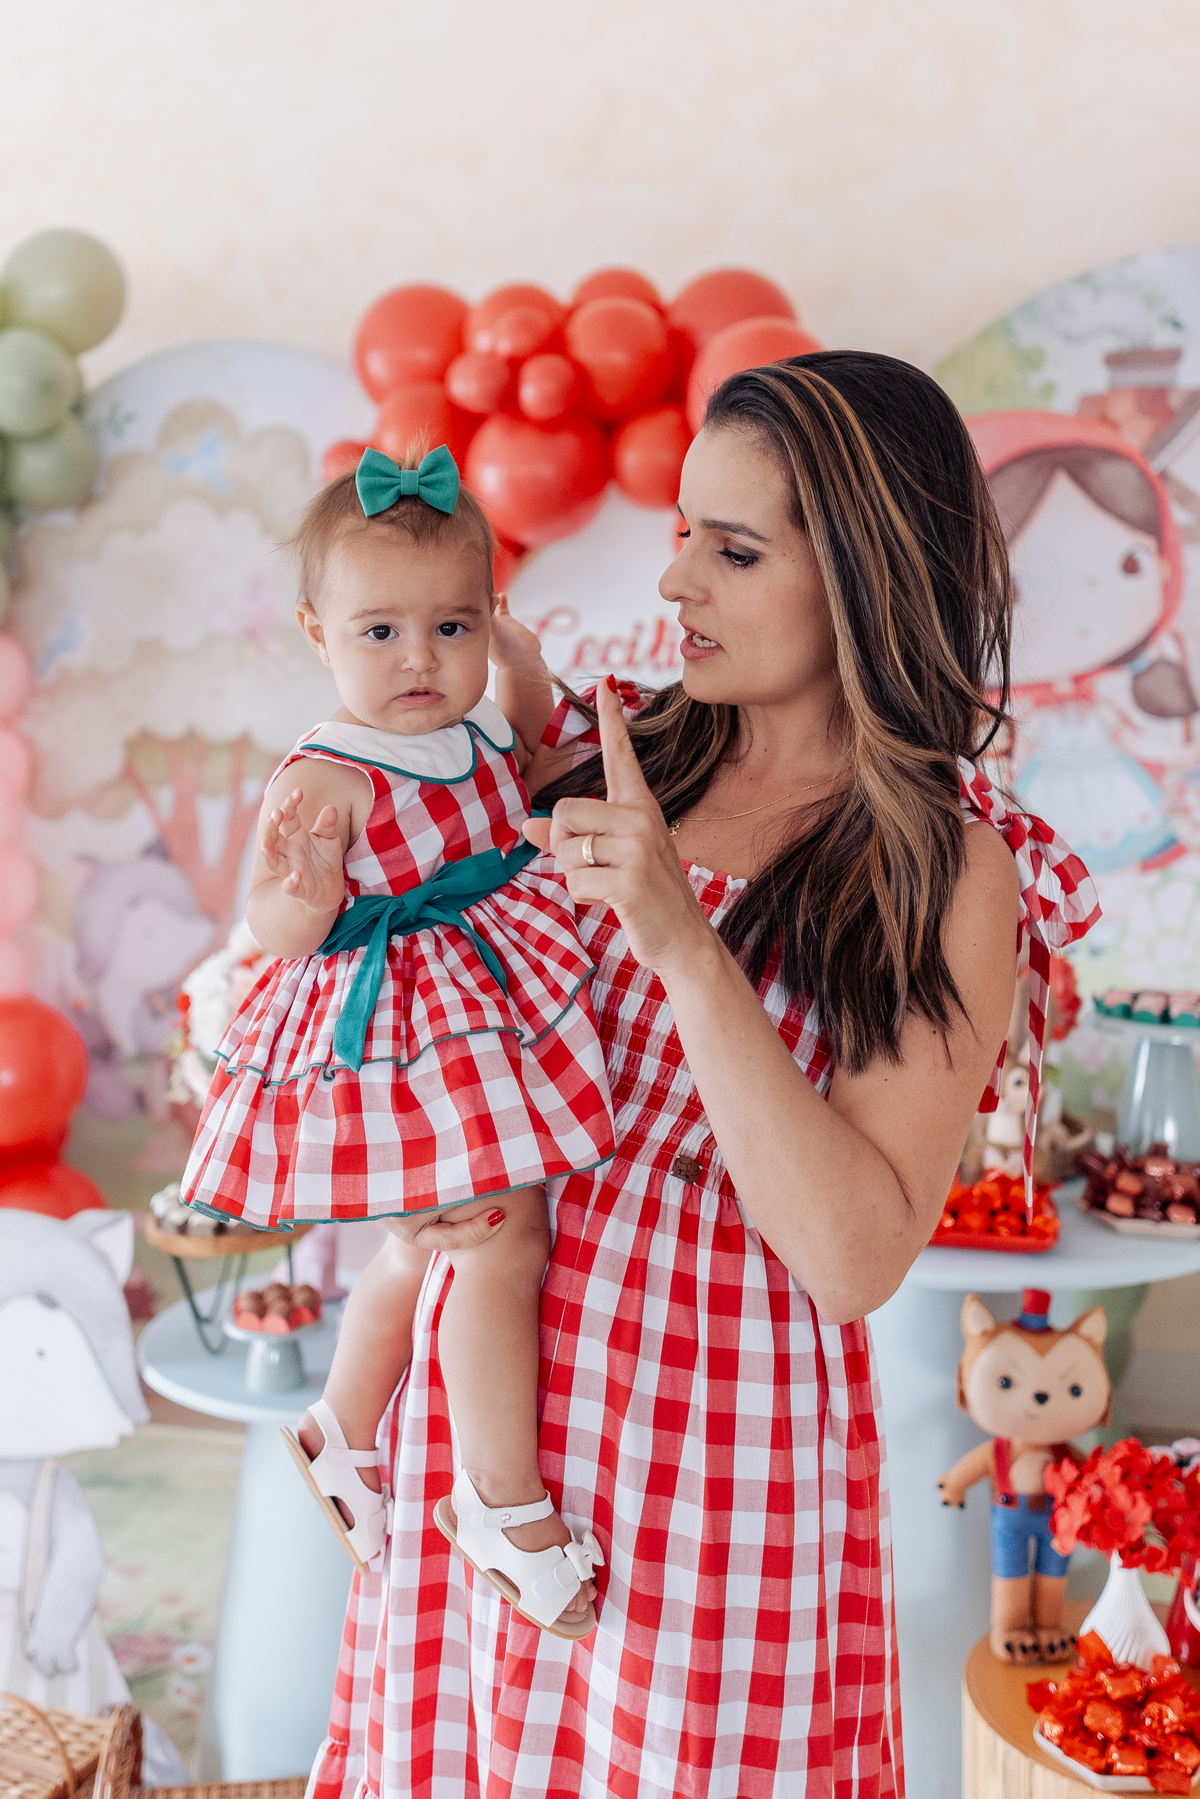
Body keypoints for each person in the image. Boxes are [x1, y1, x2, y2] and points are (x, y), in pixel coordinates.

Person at [310, 353, 1100, 1799]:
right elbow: (418, 999)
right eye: (685, 533)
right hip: (497, 1441)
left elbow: (855, 1255)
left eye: (733, 551)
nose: (675, 582)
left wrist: (682, 940)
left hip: (712, 1444)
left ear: (865, 575)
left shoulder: (944, 866)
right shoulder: (598, 751)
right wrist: (408, 1184)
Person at [179, 445, 615, 1637]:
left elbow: (533, 762)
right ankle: (501, 1497)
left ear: (489, 617)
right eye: (380, 631)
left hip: (478, 1014)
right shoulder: (328, 775)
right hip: (400, 1033)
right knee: (500, 1240)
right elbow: (273, 926)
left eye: (451, 625)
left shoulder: (478, 729)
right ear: (317, 631)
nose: (419, 658)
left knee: (429, 1247)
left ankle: (340, 1423)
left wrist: (522, 674)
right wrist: (305, 887)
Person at [968, 409, 1197, 872]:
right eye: (1012, 591)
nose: (1086, 603)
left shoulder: (1150, 671)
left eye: (1130, 564)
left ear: (1164, 563)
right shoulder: (985, 715)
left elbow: (1161, 740)